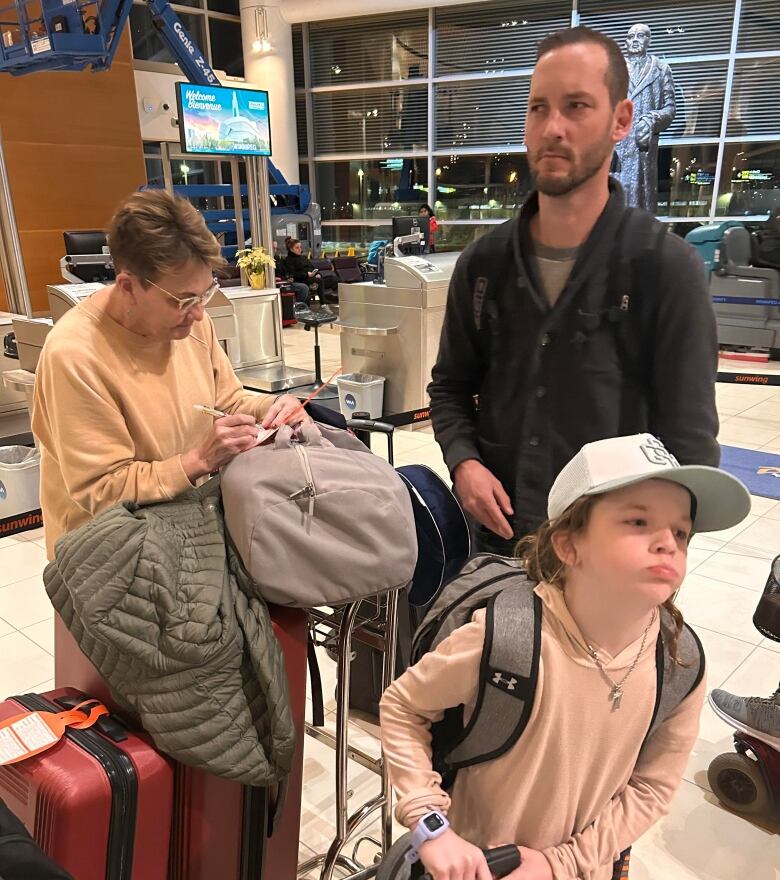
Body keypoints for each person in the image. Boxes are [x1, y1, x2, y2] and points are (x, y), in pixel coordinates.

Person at [379, 433, 751, 880]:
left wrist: (563, 862)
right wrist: (431, 825)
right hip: (475, 866)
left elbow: (652, 786)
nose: (668, 544)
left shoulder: (679, 661)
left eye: (681, 531)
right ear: (569, 544)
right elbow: (403, 707)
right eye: (637, 521)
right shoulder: (507, 638)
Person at [428, 26, 719, 556]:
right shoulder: (483, 266)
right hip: (499, 542)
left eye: (577, 106)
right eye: (539, 108)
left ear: (621, 121)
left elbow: (690, 444)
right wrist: (464, 462)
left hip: (611, 557)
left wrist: (659, 547)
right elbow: (449, 388)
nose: (553, 128)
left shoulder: (665, 268)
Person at [32, 189, 309, 561]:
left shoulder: (192, 324)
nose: (197, 314)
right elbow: (101, 489)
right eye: (182, 300)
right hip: (106, 562)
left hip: (184, 533)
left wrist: (273, 407)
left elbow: (225, 401)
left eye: (204, 294)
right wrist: (198, 461)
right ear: (128, 286)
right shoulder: (75, 355)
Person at [614, 23, 676, 213]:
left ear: (648, 40)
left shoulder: (661, 69)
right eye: (630, 37)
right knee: (615, 201)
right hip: (617, 149)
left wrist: (652, 119)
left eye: (640, 36)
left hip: (643, 148)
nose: (634, 41)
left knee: (641, 203)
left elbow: (670, 109)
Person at [283, 236, 338, 304]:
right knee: (319, 281)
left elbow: (312, 267)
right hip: (302, 279)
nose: (300, 249)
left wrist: (318, 273)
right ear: (291, 249)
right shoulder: (288, 260)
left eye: (300, 247)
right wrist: (307, 274)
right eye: (297, 248)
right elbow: (293, 274)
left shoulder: (303, 257)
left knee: (334, 279)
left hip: (312, 277)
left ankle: (337, 298)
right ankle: (323, 301)